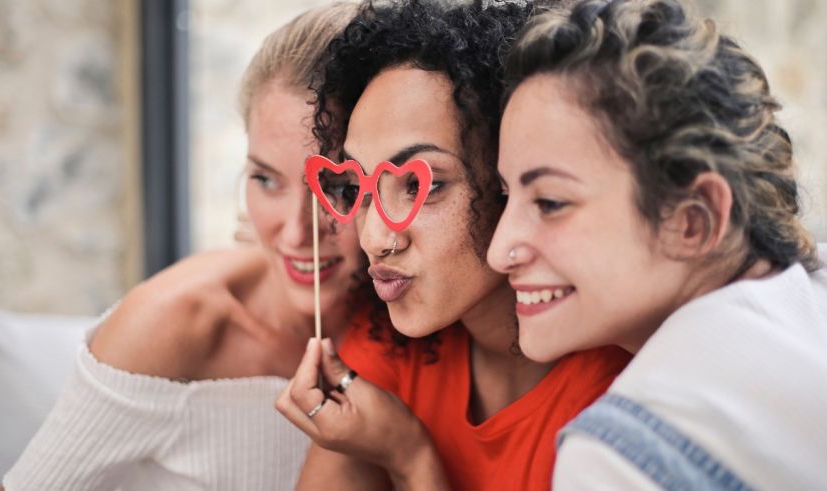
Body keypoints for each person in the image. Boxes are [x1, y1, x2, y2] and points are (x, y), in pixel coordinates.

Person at [1, 3, 366, 490]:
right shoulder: (173, 322)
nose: (297, 232)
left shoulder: (414, 328)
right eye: (265, 178)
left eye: (338, 187)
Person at [274, 1, 632, 490]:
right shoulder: (389, 346)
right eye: (357, 187)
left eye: (425, 185)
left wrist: (410, 457)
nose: (376, 239)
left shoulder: (616, 399)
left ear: (511, 178)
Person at [486, 0, 827, 488]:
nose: (500, 251)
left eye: (551, 202)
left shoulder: (620, 455)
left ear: (693, 220)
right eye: (505, 196)